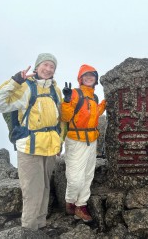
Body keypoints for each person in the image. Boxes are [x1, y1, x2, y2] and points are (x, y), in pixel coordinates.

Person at [0, 53, 64, 230]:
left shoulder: (55, 90)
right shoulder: (25, 88)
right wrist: (15, 81)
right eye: (45, 65)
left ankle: (41, 225)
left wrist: (59, 142)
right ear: (37, 67)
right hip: (29, 147)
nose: (48, 69)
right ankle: (29, 229)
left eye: (52, 66)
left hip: (50, 147)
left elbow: (59, 119)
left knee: (45, 188)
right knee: (32, 190)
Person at [61, 64, 106, 222]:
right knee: (75, 177)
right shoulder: (74, 94)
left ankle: (81, 205)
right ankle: (70, 202)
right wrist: (66, 101)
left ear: (95, 79)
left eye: (92, 76)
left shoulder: (94, 97)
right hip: (75, 140)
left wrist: (106, 102)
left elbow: (96, 114)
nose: (89, 78)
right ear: (80, 78)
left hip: (91, 140)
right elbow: (65, 117)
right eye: (85, 75)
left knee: (88, 175)